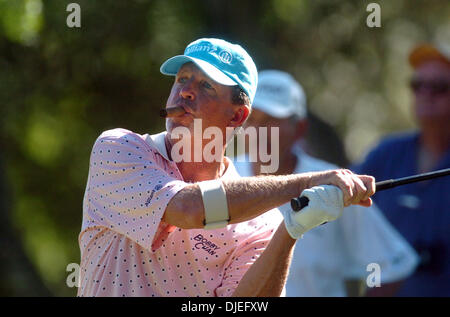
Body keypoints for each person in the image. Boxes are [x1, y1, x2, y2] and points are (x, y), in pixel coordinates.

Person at [78, 38, 376, 297]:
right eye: (182, 79)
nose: (185, 92)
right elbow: (190, 208)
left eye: (206, 85)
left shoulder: (259, 225)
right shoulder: (119, 149)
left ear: (237, 116)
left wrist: (289, 231)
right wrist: (303, 184)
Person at [233, 70, 418, 297]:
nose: (258, 130)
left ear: (299, 129)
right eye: (251, 119)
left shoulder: (334, 184)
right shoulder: (224, 176)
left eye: (271, 120)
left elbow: (389, 264)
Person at [352, 43, 450, 296]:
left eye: (439, 87)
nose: (425, 94)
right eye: (418, 85)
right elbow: (341, 199)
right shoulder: (387, 154)